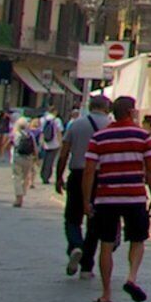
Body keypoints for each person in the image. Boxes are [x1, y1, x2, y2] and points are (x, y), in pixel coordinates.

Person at [85, 95, 151, 302]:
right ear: (130, 112)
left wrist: (85, 200)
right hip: (134, 196)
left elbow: (89, 172)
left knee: (106, 244)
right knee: (137, 239)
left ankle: (106, 293)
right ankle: (131, 278)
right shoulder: (143, 137)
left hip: (106, 197)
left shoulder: (99, 137)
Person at [58, 94, 103, 275]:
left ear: (90, 106)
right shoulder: (110, 126)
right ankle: (87, 266)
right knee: (94, 223)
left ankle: (76, 245)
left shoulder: (76, 124)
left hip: (78, 174)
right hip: (101, 177)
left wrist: (58, 175)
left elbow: (64, 153)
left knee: (72, 217)